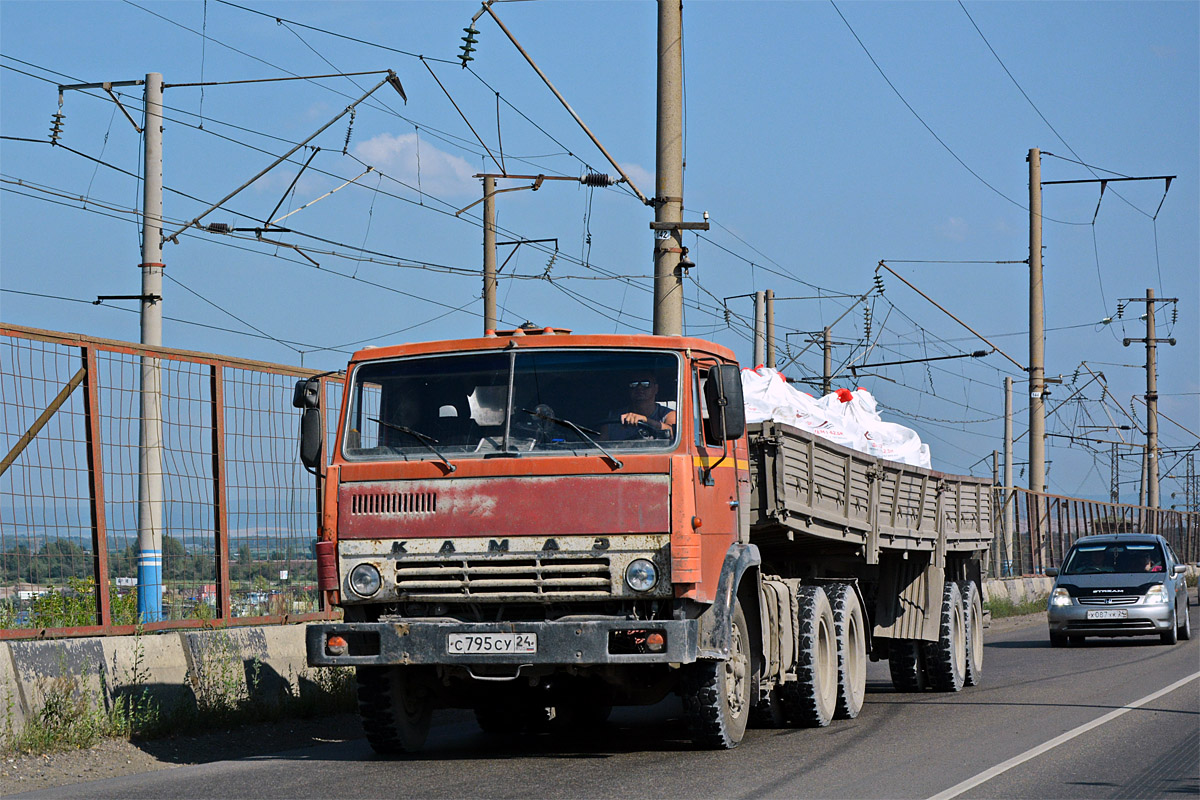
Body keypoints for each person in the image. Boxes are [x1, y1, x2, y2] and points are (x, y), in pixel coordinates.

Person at [603, 372, 676, 440]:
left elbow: (673, 434)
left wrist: (645, 420)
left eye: (646, 384)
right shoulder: (613, 418)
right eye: (633, 384)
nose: (639, 388)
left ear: (656, 388)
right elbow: (600, 445)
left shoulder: (668, 415)